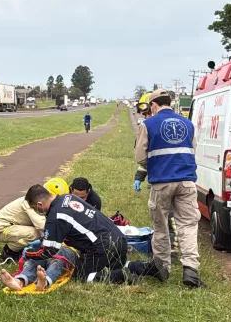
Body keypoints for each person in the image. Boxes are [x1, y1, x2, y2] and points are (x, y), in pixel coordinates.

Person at [131, 89, 205, 288]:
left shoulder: (148, 124)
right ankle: (190, 270)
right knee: (188, 225)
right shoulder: (188, 124)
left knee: (161, 225)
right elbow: (192, 151)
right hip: (187, 182)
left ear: (154, 105)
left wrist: (154, 164)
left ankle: (162, 267)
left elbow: (140, 157)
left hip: (161, 182)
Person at [21, 184, 135, 284]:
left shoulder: (55, 217)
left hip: (103, 246)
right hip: (119, 238)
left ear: (39, 205)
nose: (36, 211)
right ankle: (144, 268)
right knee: (119, 265)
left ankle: (120, 276)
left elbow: (48, 252)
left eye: (33, 208)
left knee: (80, 275)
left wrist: (28, 253)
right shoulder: (68, 197)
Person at [133, 101, 180, 262]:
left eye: (147, 113)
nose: (146, 117)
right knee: (160, 219)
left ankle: (171, 253)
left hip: (170, 180)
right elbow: (148, 159)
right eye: (143, 115)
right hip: (159, 180)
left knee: (170, 218)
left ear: (154, 107)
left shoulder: (160, 129)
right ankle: (163, 250)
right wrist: (139, 177)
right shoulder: (151, 128)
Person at [0, 177, 69, 261]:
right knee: (36, 234)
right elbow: (42, 226)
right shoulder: (30, 203)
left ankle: (18, 248)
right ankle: (9, 252)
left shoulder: (40, 201)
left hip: (13, 226)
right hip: (1, 228)